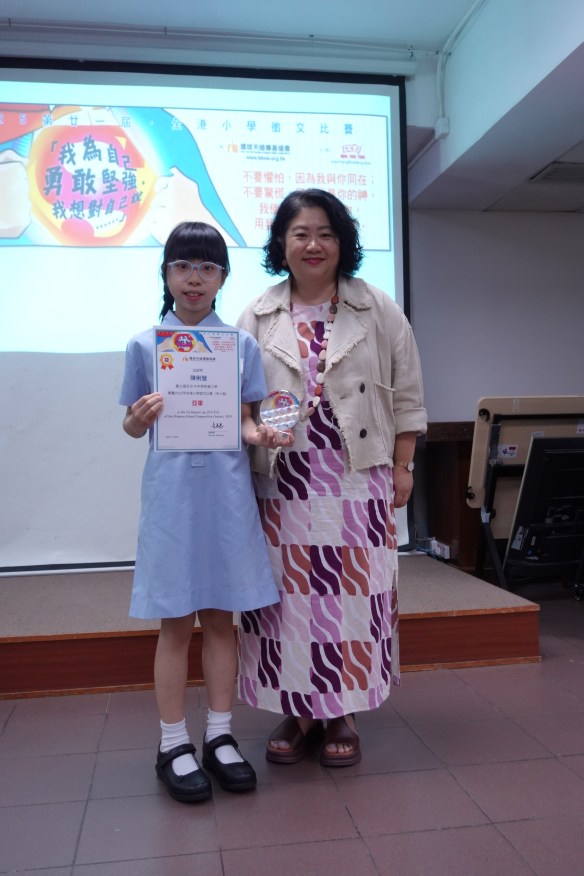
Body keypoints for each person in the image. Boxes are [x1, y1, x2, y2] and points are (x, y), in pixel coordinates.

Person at [236, 189, 427, 766]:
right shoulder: (258, 314)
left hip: (356, 480)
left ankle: (343, 710)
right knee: (285, 601)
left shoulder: (377, 308)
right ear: (282, 244)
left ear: (342, 242)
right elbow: (238, 402)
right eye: (300, 233)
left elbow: (408, 393)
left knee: (352, 599)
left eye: (325, 233)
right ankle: (297, 711)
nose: (313, 244)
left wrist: (403, 464)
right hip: (282, 484)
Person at [119, 221, 289, 802]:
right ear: (166, 273)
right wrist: (138, 418)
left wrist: (262, 433)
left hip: (226, 497)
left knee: (220, 618)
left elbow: (244, 422)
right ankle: (172, 743)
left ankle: (219, 735)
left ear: (222, 277)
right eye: (183, 266)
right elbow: (130, 425)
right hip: (171, 499)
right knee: (175, 622)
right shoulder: (145, 345)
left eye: (207, 267)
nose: (194, 278)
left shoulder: (239, 346)